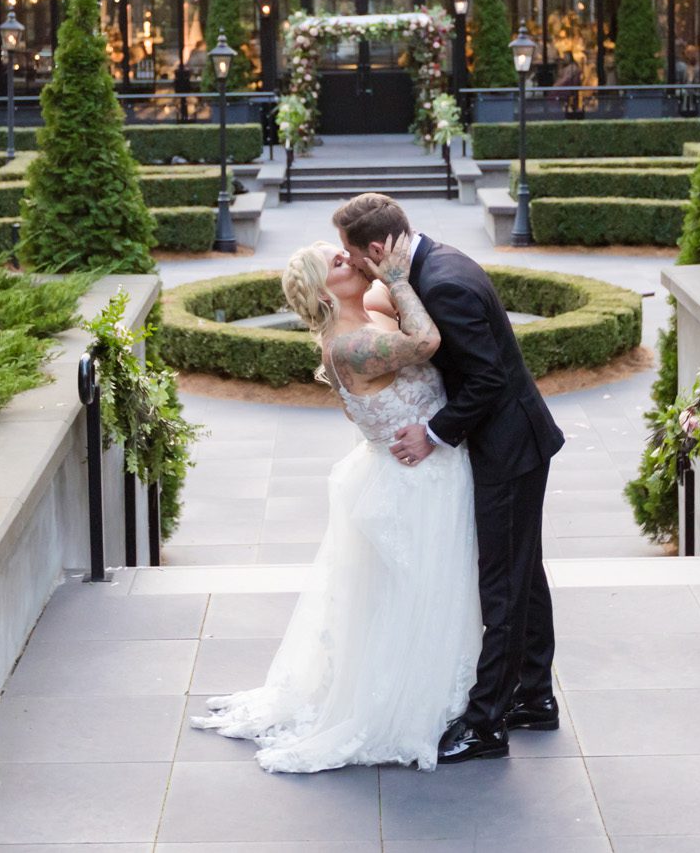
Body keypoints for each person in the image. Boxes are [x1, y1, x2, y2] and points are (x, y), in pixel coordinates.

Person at [189, 231, 482, 772]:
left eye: (342, 251)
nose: (348, 258)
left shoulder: (360, 316)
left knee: (411, 598)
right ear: (324, 294)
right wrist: (395, 277)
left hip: (412, 472)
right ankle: (410, 704)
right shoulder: (351, 344)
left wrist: (381, 277)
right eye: (336, 261)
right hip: (417, 481)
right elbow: (424, 343)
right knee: (420, 596)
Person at [337, 193, 565, 764]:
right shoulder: (433, 264)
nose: (355, 266)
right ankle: (535, 696)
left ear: (373, 249)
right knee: (522, 573)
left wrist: (434, 432)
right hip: (514, 442)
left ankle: (487, 723)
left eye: (352, 255)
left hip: (508, 448)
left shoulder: (443, 286)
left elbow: (486, 380)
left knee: (504, 586)